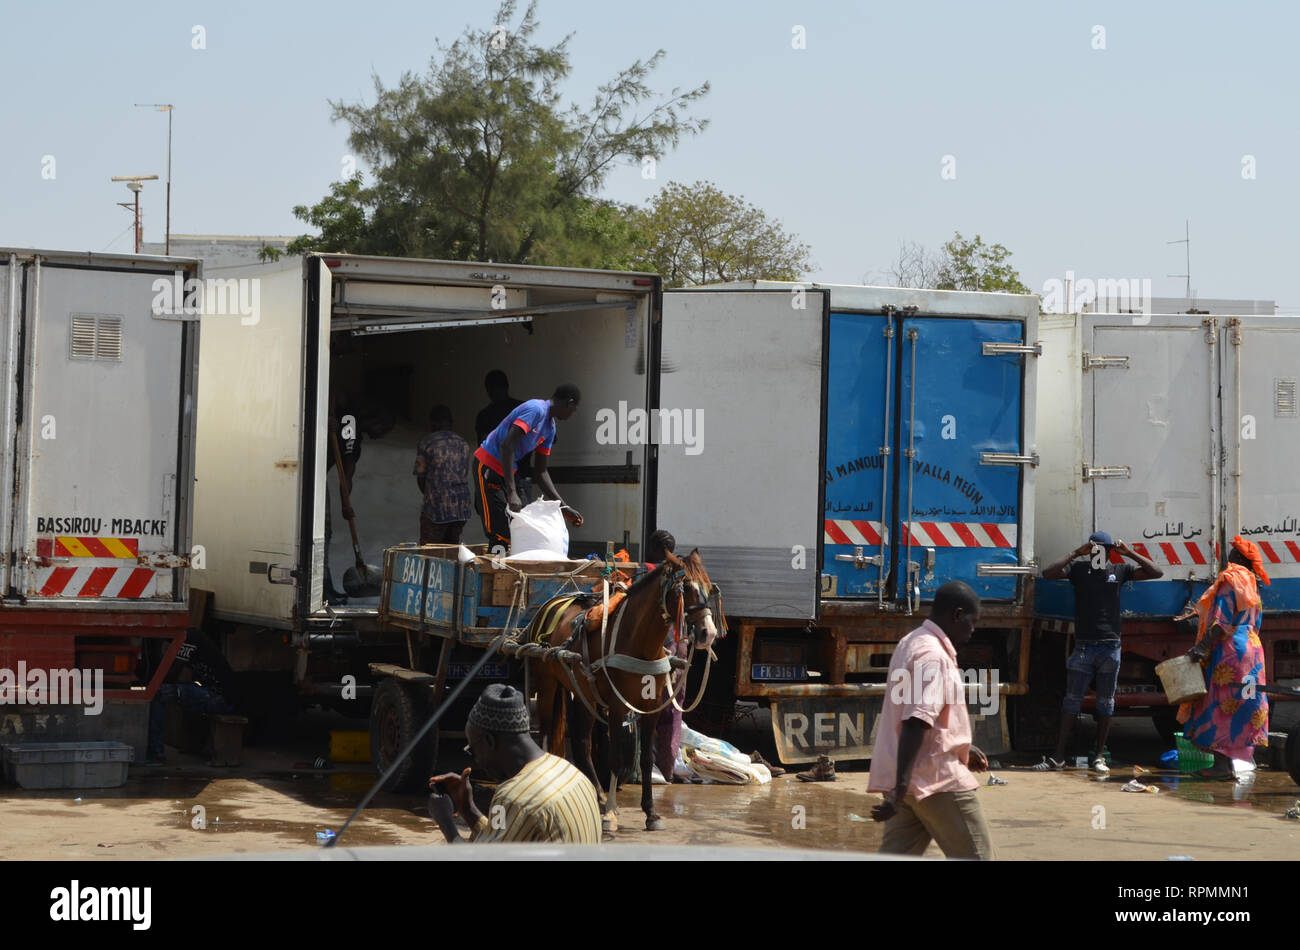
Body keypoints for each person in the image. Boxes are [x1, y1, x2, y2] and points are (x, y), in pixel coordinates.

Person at [869, 581, 994, 860]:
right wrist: (899, 791)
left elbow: (917, 715)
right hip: (936, 782)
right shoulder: (934, 656)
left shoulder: (910, 642)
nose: (973, 631)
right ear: (957, 615)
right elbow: (916, 721)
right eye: (972, 622)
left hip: (908, 782)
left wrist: (962, 748)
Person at [1033, 531, 1162, 772]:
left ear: (1111, 551)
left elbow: (1156, 573)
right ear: (1090, 549)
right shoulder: (1079, 571)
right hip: (1084, 647)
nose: (1099, 552)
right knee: (1071, 703)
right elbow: (1048, 573)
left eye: (1104, 548)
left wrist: (1129, 553)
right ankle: (1058, 757)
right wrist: (1075, 553)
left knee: (1106, 704)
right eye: (1095, 548)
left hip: (1110, 646)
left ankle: (1099, 756)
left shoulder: (1120, 570)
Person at [427, 684, 602, 843]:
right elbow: (498, 839)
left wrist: (446, 823)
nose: (476, 760)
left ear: (489, 741)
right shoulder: (570, 771)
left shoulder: (513, 797)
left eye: (473, 750)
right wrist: (467, 809)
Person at [1178, 536, 1271, 778]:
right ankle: (1234, 762)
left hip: (1230, 651)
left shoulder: (1231, 581)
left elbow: (1221, 622)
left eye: (1231, 554)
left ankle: (1220, 766)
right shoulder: (1253, 583)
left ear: (1239, 558)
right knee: (1245, 702)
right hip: (1252, 649)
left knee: (1221, 704)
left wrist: (1203, 647)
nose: (1227, 558)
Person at [473, 383, 584, 553]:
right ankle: (496, 572)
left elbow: (541, 471)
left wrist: (563, 506)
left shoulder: (550, 428)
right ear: (569, 403)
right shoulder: (536, 409)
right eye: (573, 409)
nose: (571, 414)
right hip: (489, 465)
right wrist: (512, 492)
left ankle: (511, 569)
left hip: (509, 471)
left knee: (521, 522)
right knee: (499, 529)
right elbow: (506, 446)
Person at [146, 627, 239, 765]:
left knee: (160, 693)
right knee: (173, 691)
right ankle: (187, 744)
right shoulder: (189, 637)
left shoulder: (188, 639)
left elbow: (172, 675)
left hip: (220, 699)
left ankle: (156, 754)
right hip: (215, 694)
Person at [413, 404, 471, 544]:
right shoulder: (463, 443)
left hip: (436, 507)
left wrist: (431, 497)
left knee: (430, 551)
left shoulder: (427, 442)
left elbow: (421, 479)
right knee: (452, 548)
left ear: (432, 422)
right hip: (461, 507)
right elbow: (464, 473)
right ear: (451, 422)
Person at [475, 370, 534, 504]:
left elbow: (483, 454)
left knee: (499, 524)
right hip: (520, 476)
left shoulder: (485, 416)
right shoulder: (522, 409)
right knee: (523, 523)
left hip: (496, 480)